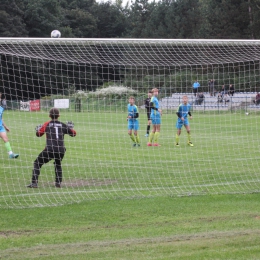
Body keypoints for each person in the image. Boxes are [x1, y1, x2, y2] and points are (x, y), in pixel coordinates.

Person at [27, 108, 76, 188]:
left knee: (37, 163)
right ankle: (58, 183)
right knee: (58, 163)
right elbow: (73, 134)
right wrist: (71, 128)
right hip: (61, 149)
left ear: (49, 115)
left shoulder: (47, 124)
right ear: (59, 115)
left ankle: (34, 183)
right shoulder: (63, 124)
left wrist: (38, 130)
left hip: (50, 148)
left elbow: (39, 134)